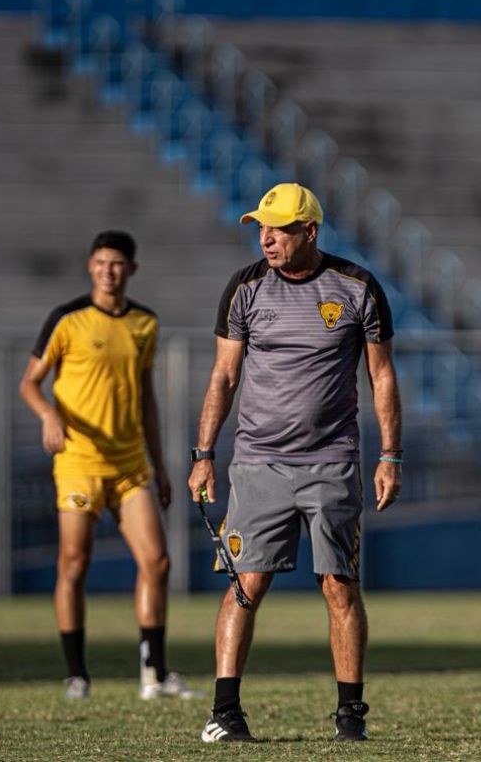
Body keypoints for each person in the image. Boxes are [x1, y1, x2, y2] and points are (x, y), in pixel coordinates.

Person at [187, 183, 403, 743]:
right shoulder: (244, 288)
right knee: (245, 584)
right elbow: (224, 377)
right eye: (262, 227)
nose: (267, 238)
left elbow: (381, 376)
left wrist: (390, 456)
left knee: (340, 586)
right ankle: (224, 714)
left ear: (310, 231)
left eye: (279, 228)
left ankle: (350, 717)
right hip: (258, 464)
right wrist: (203, 454)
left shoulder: (357, 287)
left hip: (332, 462)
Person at [19, 230, 199, 702]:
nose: (108, 271)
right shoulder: (68, 319)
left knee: (157, 561)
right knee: (74, 563)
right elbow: (30, 383)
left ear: (131, 269)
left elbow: (146, 399)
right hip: (79, 461)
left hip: (129, 464)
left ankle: (153, 674)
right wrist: (49, 415)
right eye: (100, 262)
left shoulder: (144, 323)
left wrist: (160, 465)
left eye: (116, 263)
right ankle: (77, 674)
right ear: (90, 266)